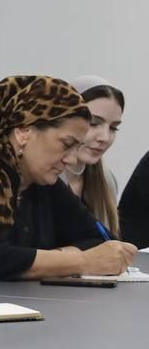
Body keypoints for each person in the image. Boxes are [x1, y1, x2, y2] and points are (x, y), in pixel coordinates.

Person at [0, 75, 136, 281]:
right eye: (66, 144)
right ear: (24, 132)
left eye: (77, 147)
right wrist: (80, 261)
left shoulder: (43, 182)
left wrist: (56, 260)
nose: (71, 159)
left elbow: (100, 240)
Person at [63, 75, 124, 234]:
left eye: (113, 128)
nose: (105, 137)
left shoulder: (107, 180)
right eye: (94, 123)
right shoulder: (38, 179)